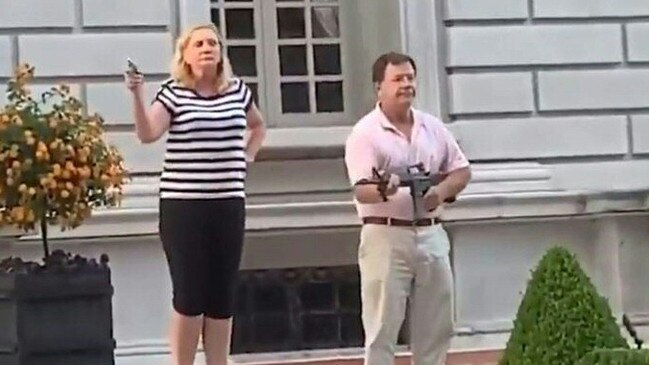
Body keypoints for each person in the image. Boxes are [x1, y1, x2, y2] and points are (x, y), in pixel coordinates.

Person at [124, 23, 266, 365]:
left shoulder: (237, 92)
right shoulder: (174, 93)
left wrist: (247, 156)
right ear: (185, 55)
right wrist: (137, 96)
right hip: (183, 206)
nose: (208, 48)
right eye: (199, 43)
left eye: (213, 43)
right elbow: (147, 134)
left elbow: (258, 126)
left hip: (227, 203)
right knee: (190, 294)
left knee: (221, 296)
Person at [344, 52, 471, 365]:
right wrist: (384, 189)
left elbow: (461, 170)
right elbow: (361, 190)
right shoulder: (365, 132)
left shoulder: (432, 127)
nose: (406, 85)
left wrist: (439, 193)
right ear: (379, 88)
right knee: (382, 328)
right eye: (398, 79)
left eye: (410, 78)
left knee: (437, 328)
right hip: (386, 236)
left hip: (431, 233)